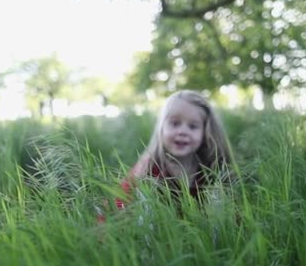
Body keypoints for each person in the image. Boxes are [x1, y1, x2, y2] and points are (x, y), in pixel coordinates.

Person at [97, 90, 234, 223]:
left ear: (205, 133)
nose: (182, 131)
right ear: (161, 128)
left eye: (192, 126)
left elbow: (234, 214)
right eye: (175, 123)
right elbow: (115, 208)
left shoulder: (211, 170)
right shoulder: (148, 168)